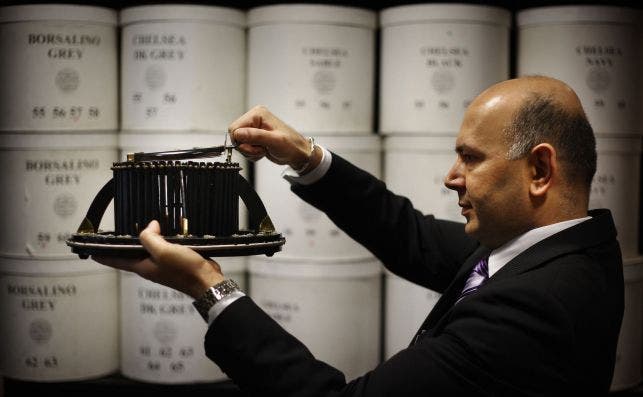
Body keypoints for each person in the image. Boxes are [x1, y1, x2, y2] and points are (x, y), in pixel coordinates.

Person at [95, 76, 624, 395]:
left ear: (539, 170)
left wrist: (209, 288)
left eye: (471, 157)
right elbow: (409, 235)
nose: (451, 176)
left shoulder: (537, 306)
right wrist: (306, 156)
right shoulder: (549, 249)